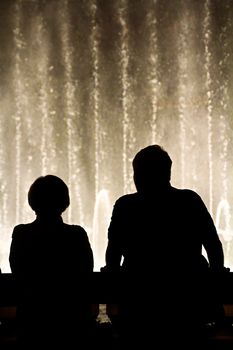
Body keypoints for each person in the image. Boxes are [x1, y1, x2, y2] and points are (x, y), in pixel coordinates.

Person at [103, 145, 227, 348]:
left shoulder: (126, 206)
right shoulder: (189, 200)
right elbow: (213, 245)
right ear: (168, 172)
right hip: (188, 299)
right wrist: (215, 283)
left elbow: (113, 252)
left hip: (140, 299)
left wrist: (114, 288)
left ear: (138, 175)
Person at [9, 175, 94, 348]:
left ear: (32, 201)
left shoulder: (21, 234)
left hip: (33, 317)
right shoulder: (76, 235)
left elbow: (17, 269)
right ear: (65, 202)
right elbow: (86, 272)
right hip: (71, 318)